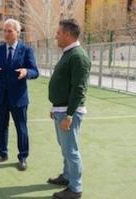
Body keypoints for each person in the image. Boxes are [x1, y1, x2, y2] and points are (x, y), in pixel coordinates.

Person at [0, 19, 39, 171]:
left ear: (17, 33)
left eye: (9, 31)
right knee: (2, 126)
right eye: (4, 31)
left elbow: (35, 72)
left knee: (21, 127)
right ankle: (2, 153)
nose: (6, 34)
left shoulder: (26, 51)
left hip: (19, 97)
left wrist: (26, 72)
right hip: (0, 97)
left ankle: (23, 156)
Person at [48, 19, 91, 199]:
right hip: (61, 110)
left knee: (71, 150)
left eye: (58, 33)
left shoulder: (78, 56)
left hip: (68, 113)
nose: (56, 35)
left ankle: (75, 189)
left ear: (67, 34)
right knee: (65, 148)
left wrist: (69, 114)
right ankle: (67, 177)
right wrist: (55, 107)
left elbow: (78, 89)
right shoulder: (68, 53)